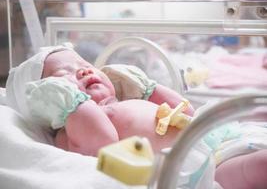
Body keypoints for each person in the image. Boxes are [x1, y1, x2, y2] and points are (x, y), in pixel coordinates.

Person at [6, 44, 194, 157]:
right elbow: (102, 143)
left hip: (199, 144)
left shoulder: (123, 101)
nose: (84, 71)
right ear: (49, 99)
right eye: (64, 74)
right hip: (172, 174)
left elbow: (186, 111)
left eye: (86, 65)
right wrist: (73, 104)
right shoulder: (68, 134)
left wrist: (147, 89)